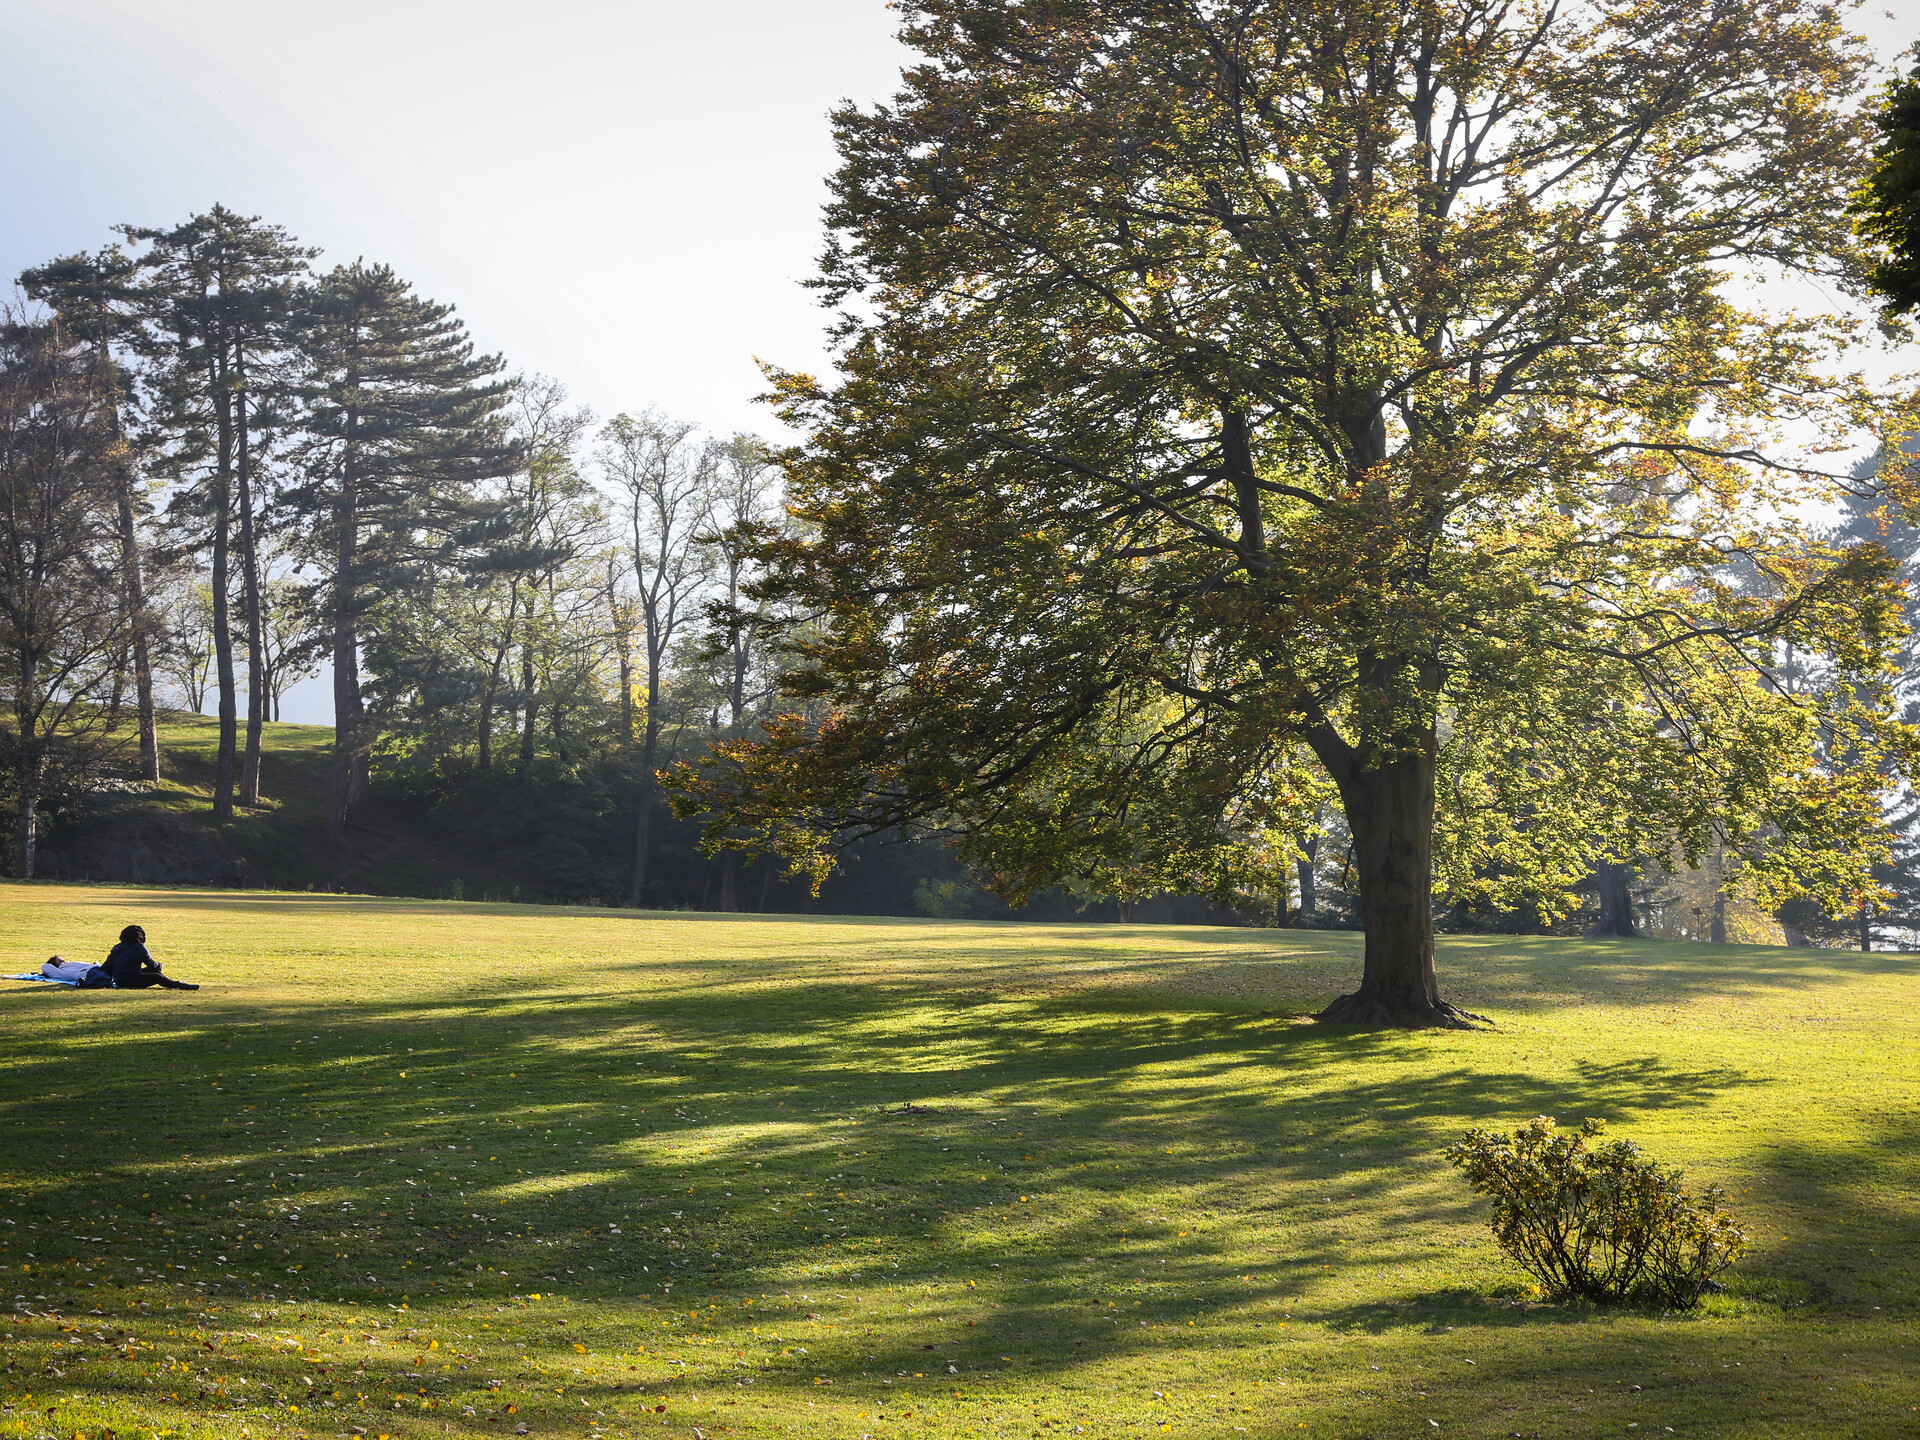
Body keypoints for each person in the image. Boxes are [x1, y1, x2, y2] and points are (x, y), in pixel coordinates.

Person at [103, 925, 199, 990]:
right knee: (157, 976)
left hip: (119, 980)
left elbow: (106, 967)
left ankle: (178, 984)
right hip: (131, 981)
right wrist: (159, 965)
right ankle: (179, 985)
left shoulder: (117, 947)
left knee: (155, 972)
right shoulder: (139, 947)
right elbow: (152, 964)